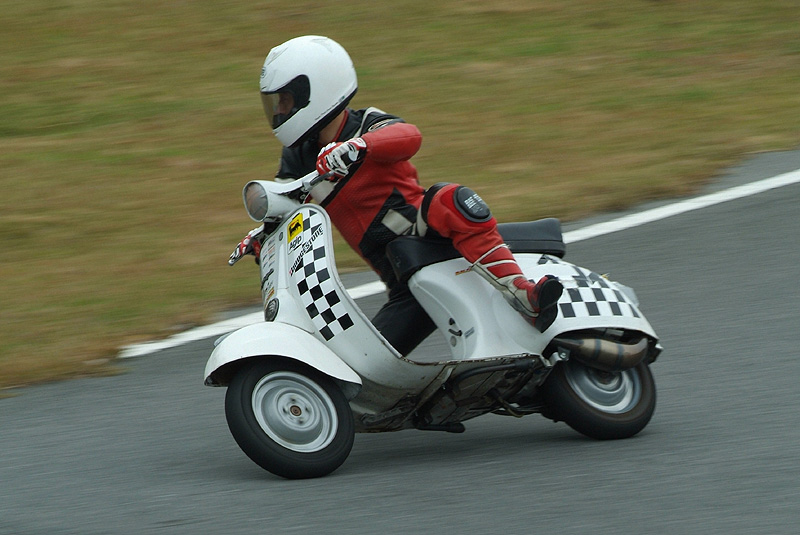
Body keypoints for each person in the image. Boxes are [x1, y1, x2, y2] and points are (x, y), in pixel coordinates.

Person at [234, 35, 563, 356]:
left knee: (450, 198)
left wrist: (359, 146)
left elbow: (409, 136)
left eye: (285, 99)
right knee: (363, 369)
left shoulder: (367, 123)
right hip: (401, 279)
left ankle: (523, 295)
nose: (279, 110)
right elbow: (285, 203)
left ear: (316, 90)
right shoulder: (297, 156)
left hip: (422, 235)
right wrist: (263, 236)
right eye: (276, 102)